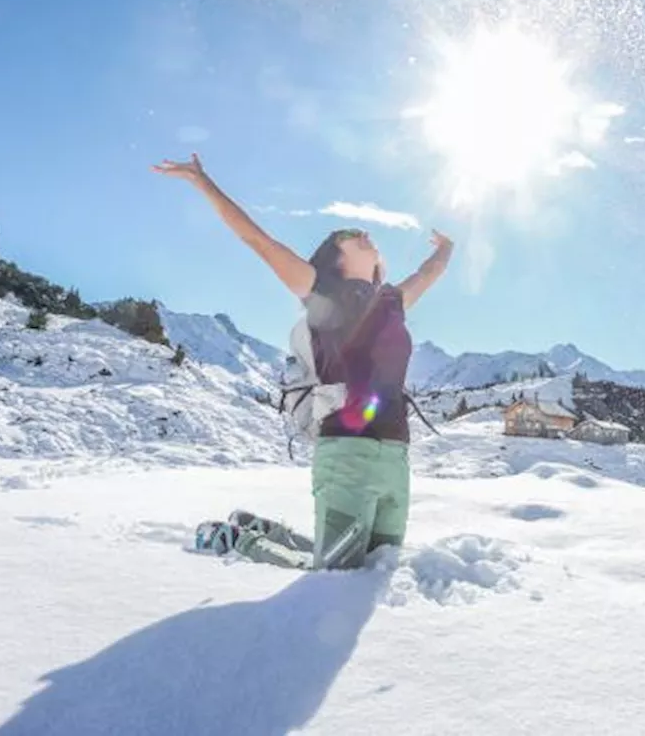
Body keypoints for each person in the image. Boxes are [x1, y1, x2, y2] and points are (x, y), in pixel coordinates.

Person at [153, 152, 454, 570]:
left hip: (395, 456)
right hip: (347, 452)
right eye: (350, 232)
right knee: (335, 573)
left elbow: (430, 273)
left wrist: (447, 249)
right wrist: (203, 182)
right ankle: (236, 539)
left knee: (377, 567)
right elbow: (259, 242)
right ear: (334, 256)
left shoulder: (391, 302)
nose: (364, 231)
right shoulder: (321, 291)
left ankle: (264, 529)